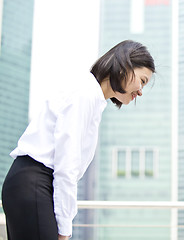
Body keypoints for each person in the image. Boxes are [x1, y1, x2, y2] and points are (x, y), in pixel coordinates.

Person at [1, 40, 155, 240]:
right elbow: (67, 165)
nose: (141, 91)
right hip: (34, 184)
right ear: (125, 66)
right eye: (142, 81)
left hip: (31, 185)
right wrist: (64, 230)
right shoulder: (85, 95)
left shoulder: (93, 99)